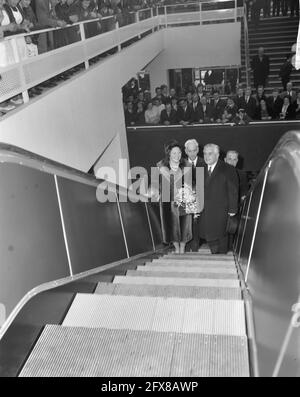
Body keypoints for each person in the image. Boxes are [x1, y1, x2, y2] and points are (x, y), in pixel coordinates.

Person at [199, 143, 239, 254]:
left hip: (222, 212)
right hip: (205, 211)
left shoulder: (228, 169)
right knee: (210, 237)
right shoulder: (200, 168)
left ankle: (221, 258)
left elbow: (233, 190)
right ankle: (216, 255)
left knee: (221, 239)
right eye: (205, 153)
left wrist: (232, 211)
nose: (207, 156)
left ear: (217, 155)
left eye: (210, 153)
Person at [157, 141, 193, 254]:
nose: (177, 155)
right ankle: (176, 247)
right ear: (169, 154)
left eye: (179, 152)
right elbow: (157, 183)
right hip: (167, 200)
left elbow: (190, 183)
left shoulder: (187, 165)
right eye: (174, 153)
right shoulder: (161, 166)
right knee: (171, 225)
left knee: (184, 225)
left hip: (183, 199)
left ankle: (182, 248)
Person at [183, 139, 205, 252]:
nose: (192, 153)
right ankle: (186, 247)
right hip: (185, 200)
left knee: (197, 224)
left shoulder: (205, 162)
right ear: (186, 151)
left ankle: (195, 247)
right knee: (186, 223)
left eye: (194, 150)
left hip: (201, 199)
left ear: (198, 150)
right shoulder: (180, 164)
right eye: (189, 151)